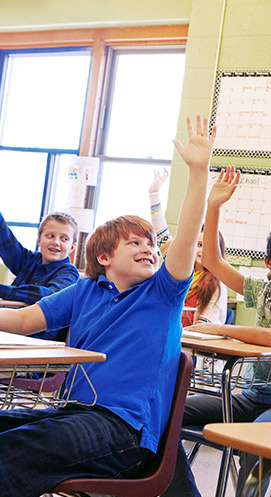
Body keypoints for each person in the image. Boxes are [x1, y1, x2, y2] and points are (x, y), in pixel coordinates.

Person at [0, 113, 215, 497]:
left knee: (10, 452)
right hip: (71, 413)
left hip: (122, 430)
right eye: (135, 243)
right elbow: (20, 320)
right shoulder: (85, 291)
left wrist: (199, 173)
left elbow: (185, 235)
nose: (149, 248)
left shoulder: (163, 293)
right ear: (103, 256)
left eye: (149, 243)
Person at [164, 165, 271, 497]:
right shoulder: (265, 290)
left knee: (257, 441)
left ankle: (248, 495)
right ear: (269, 261)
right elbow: (212, 260)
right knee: (167, 411)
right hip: (250, 397)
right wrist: (214, 207)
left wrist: (218, 329)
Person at [149, 169, 228, 326]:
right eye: (198, 245)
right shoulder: (180, 268)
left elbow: (205, 325)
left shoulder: (217, 284)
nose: (201, 251)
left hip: (192, 345)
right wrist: (154, 194)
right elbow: (160, 231)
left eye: (207, 246)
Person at [0, 211, 80, 341]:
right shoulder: (29, 260)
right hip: (8, 332)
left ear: (72, 247)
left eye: (64, 238)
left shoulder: (69, 273)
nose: (56, 242)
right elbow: (5, 240)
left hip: (36, 343)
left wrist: (3, 290)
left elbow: (50, 296)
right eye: (50, 236)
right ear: (39, 240)